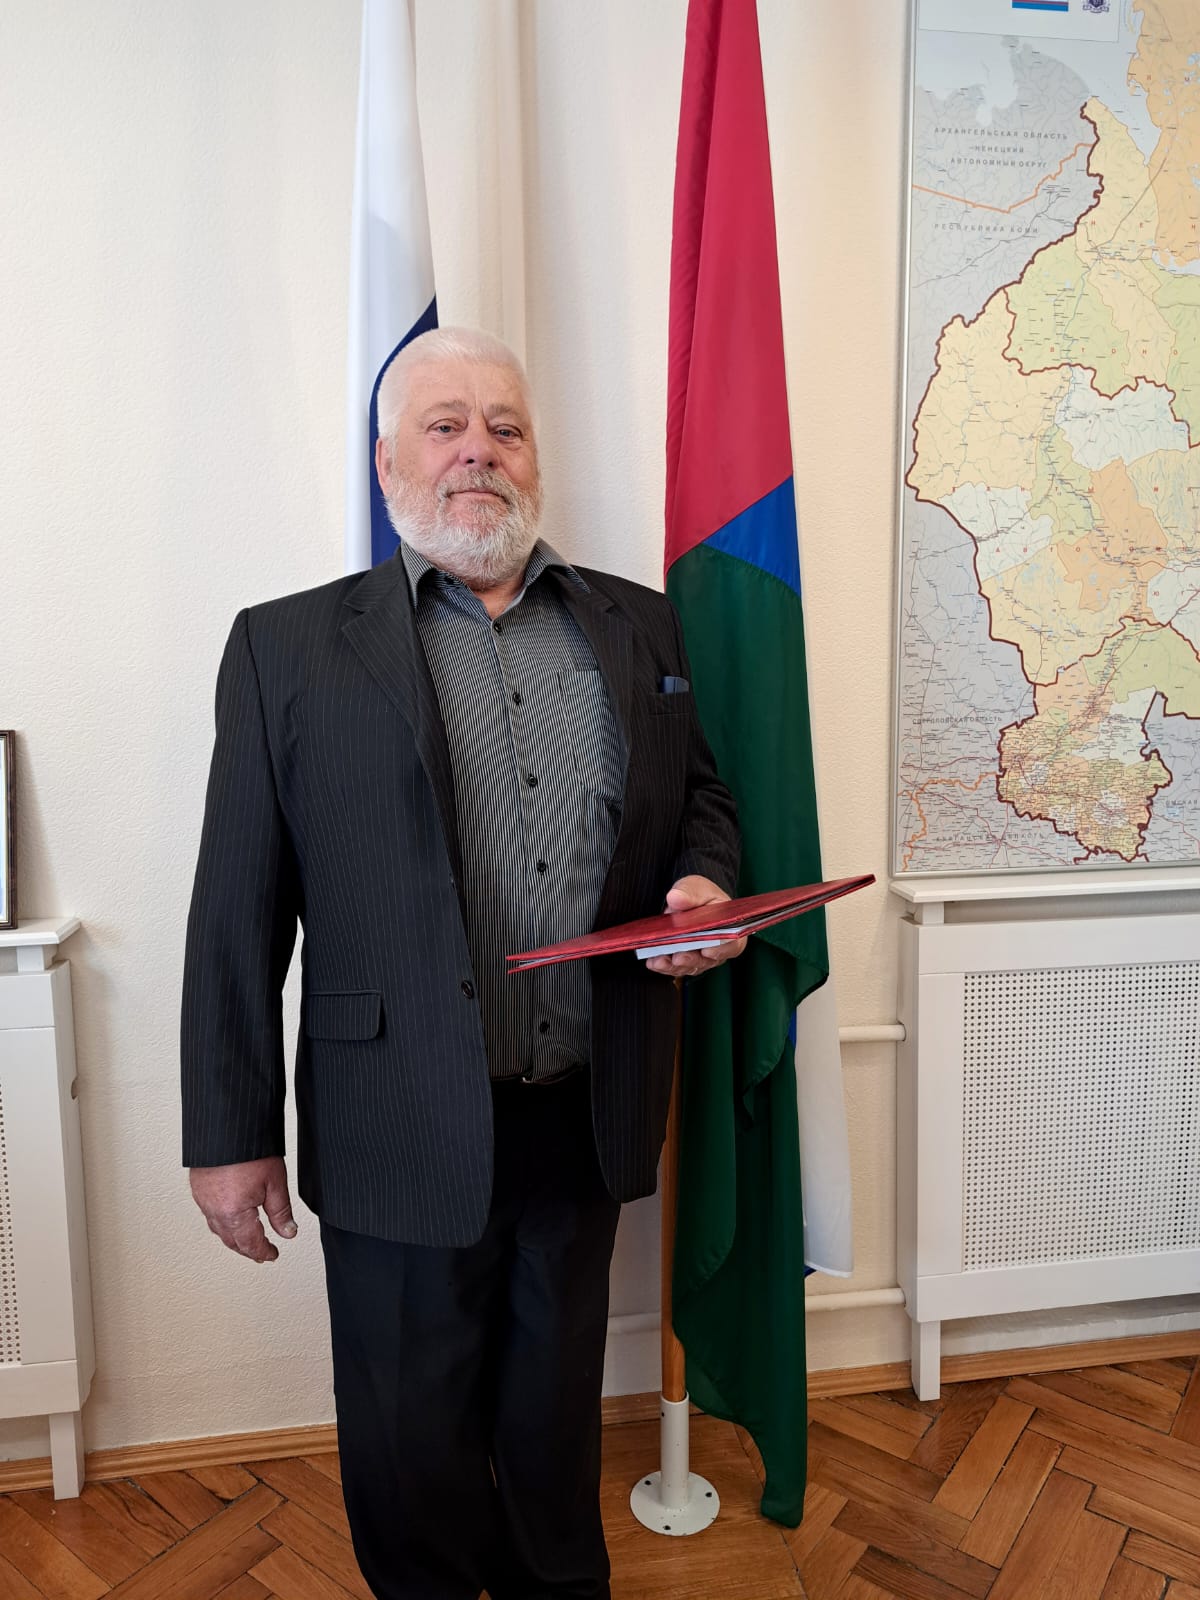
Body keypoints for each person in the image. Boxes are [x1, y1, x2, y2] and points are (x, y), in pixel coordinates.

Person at [181, 327, 744, 1600]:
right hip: (393, 1123)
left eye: (505, 426)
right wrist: (228, 1134)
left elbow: (698, 800)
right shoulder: (285, 647)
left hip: (583, 1114)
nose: (477, 449)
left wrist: (700, 881)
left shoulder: (638, 623)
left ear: (535, 457)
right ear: (389, 463)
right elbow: (234, 910)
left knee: (553, 1429)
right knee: (409, 1444)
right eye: (444, 425)